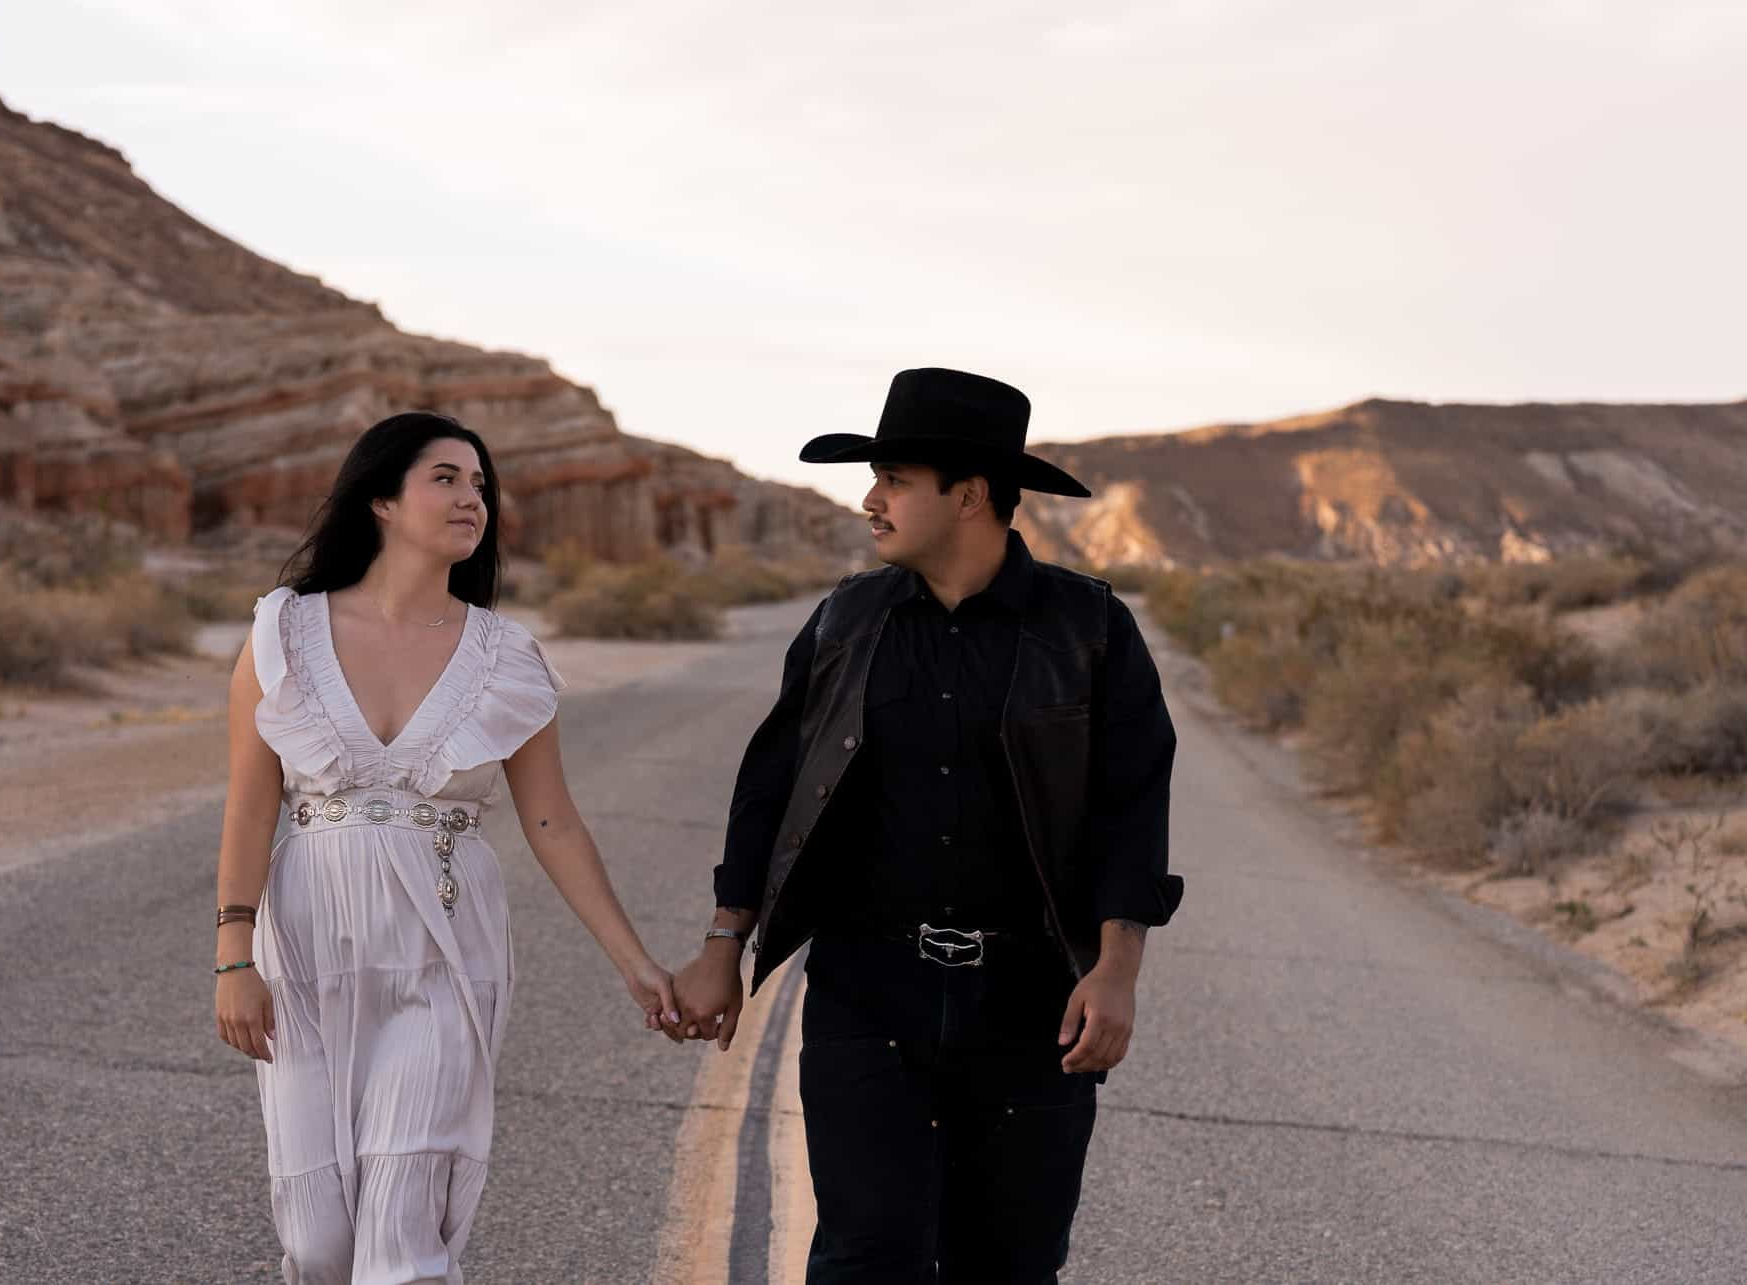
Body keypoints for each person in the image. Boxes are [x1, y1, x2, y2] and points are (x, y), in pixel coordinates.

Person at [668, 368, 1184, 1283]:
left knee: (1009, 1264)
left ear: (971, 494)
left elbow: (1131, 808)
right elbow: (771, 786)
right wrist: (724, 940)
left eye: (895, 478)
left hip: (1033, 1002)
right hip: (868, 990)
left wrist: (1117, 970)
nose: (871, 499)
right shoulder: (845, 620)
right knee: (867, 1256)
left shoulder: (1091, 628)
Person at [210, 411, 679, 1284]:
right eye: (447, 478)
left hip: (444, 949)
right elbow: (249, 801)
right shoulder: (284, 632)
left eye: (481, 484)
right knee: (317, 1241)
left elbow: (554, 821)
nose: (473, 498)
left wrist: (633, 960)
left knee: (399, 1236)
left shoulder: (505, 655)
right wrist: (232, 955)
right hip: (307, 947)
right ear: (382, 500)